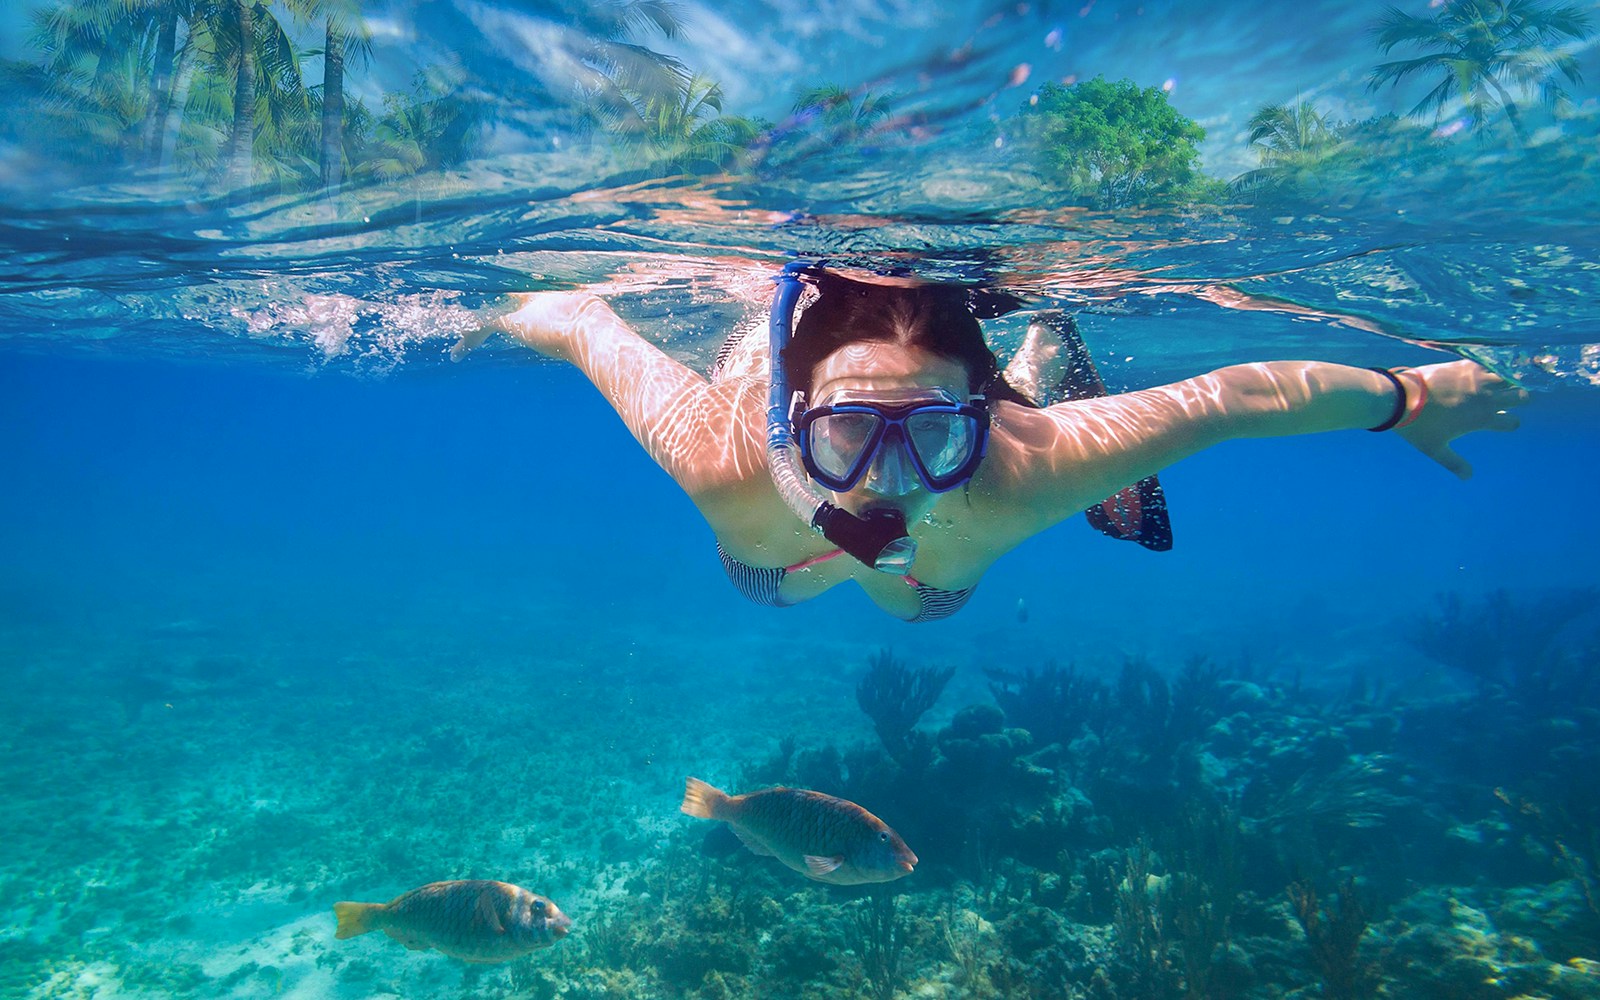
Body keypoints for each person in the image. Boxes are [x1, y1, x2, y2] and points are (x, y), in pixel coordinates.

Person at [457, 265, 1527, 622]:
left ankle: (1035, 361)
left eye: (930, 431)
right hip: (772, 564)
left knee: (915, 600)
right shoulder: (723, 456)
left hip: (940, 571)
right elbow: (582, 320)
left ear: (977, 417)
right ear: (794, 423)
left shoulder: (1025, 463)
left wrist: (1409, 394)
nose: (887, 477)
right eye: (843, 432)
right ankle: (792, 357)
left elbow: (1233, 397)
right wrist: (496, 310)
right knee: (795, 577)